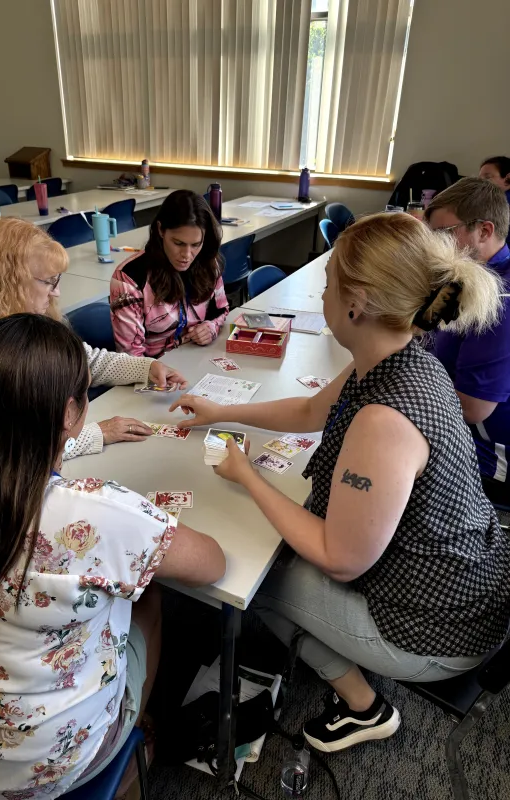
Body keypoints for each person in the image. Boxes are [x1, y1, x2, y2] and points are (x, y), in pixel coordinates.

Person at [169, 212, 510, 753]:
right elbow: (310, 408)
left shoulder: (385, 421)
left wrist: (248, 476)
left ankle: (363, 706)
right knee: (277, 550)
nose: (322, 297)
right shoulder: (398, 354)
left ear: (357, 303)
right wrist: (221, 411)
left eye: (327, 286)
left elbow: (339, 557)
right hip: (467, 579)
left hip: (439, 629)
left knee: (251, 575)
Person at [0, 314, 225, 800]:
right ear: (71, 413)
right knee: (148, 598)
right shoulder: (90, 513)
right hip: (43, 767)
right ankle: (136, 731)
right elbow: (212, 564)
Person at [0, 217, 187, 460]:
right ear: (11, 281)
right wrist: (98, 433)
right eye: (49, 282)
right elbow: (14, 445)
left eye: (56, 280)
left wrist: (147, 367)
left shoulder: (33, 318)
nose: (56, 292)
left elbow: (86, 362)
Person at [425, 177, 510, 505]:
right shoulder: (462, 274)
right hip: (452, 425)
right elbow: (420, 329)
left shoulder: (501, 299)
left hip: (486, 462)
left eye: (445, 234)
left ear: (484, 232)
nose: (434, 245)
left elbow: (473, 408)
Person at [110, 190, 229, 358]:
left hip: (196, 357)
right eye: (178, 243)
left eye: (196, 244)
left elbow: (222, 310)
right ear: (161, 230)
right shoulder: (129, 278)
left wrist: (211, 327)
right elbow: (131, 356)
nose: (187, 255)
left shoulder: (209, 263)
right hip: (153, 370)